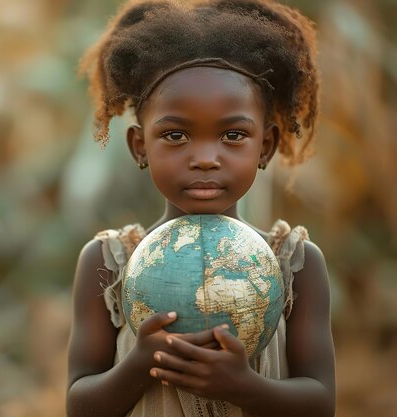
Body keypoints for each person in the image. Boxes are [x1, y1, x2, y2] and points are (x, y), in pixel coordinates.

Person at [66, 1, 335, 416]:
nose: (206, 158)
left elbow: (320, 403)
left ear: (265, 146)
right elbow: (79, 405)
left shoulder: (295, 265)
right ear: (140, 146)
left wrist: (246, 387)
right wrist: (141, 365)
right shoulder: (108, 264)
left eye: (232, 134)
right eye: (175, 135)